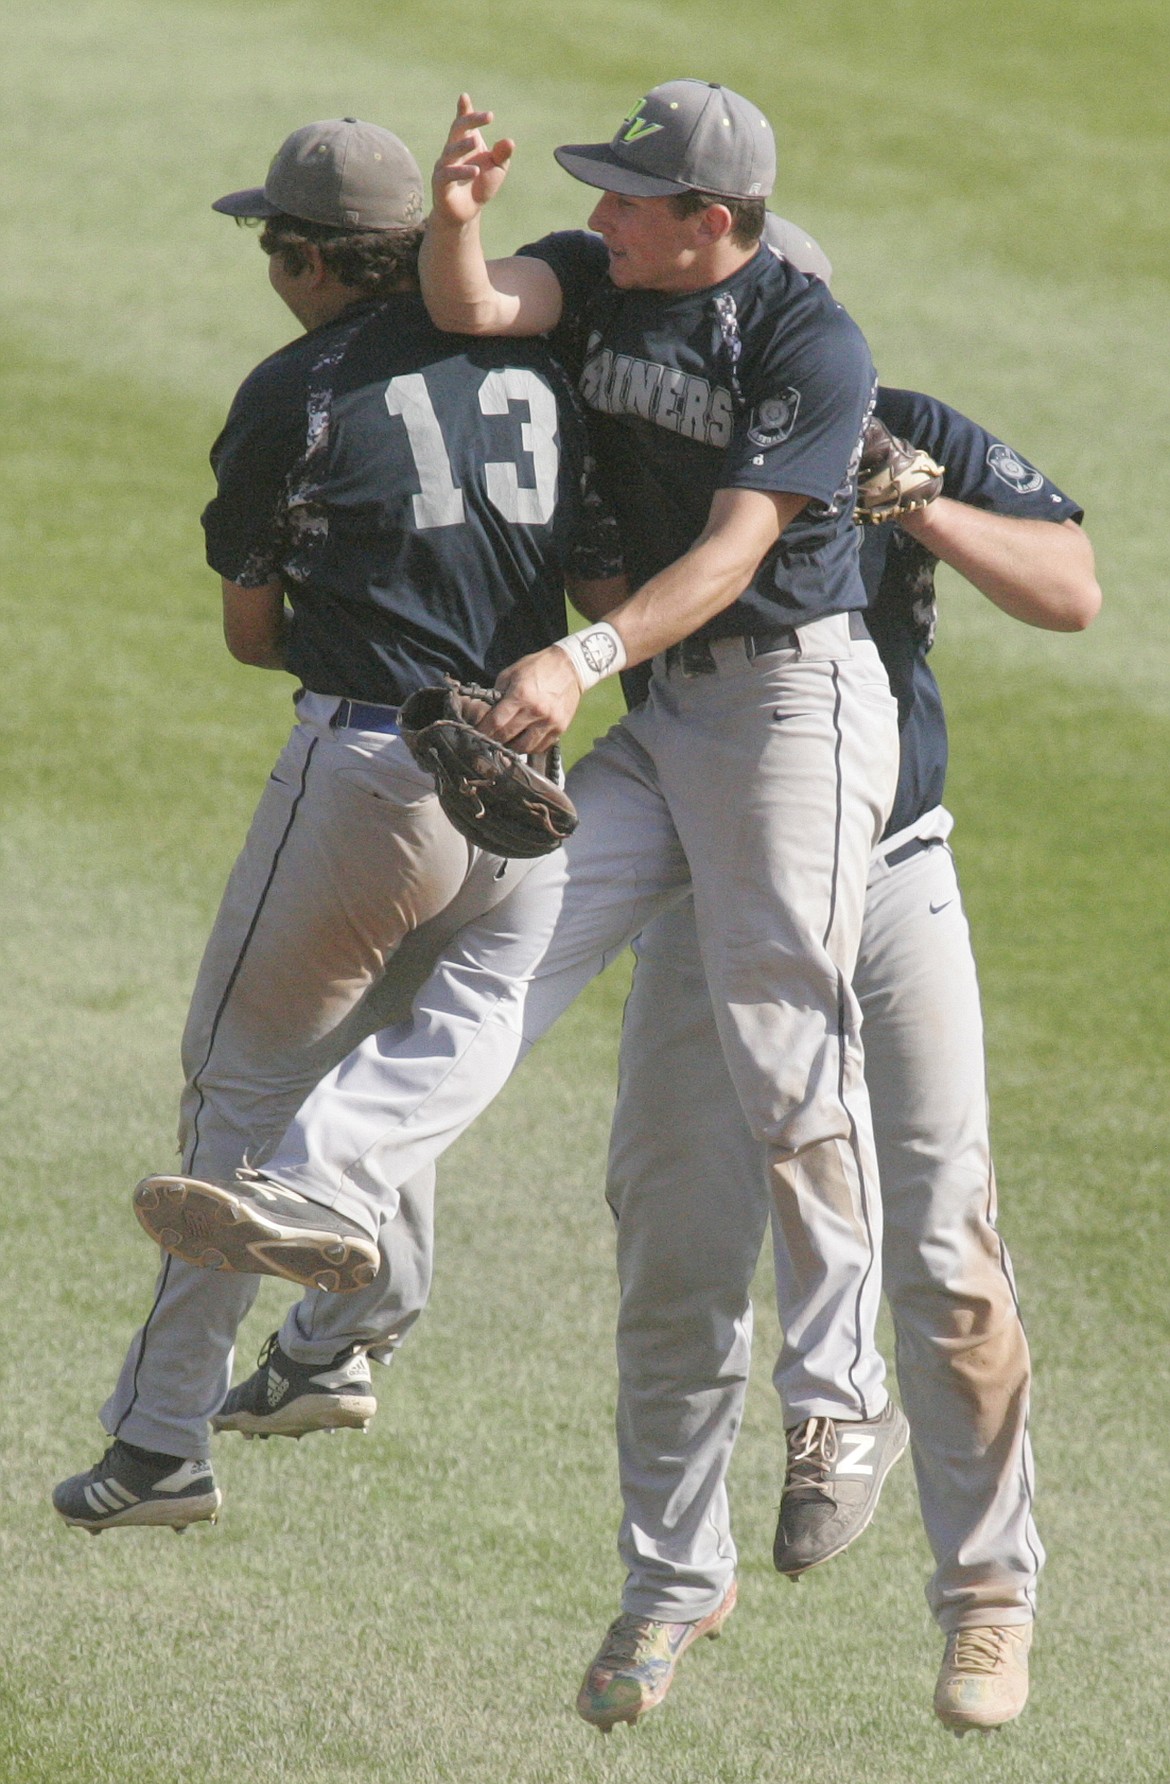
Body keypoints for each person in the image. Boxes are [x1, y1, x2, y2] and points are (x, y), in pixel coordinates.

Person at [134, 81, 910, 1573]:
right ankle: (318, 1198)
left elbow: (743, 546)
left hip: (787, 710)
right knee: (510, 964)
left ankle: (838, 1401)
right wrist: (467, 218)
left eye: (630, 195)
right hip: (664, 711)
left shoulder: (810, 340)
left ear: (712, 221)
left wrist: (578, 661)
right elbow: (477, 301)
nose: (601, 211)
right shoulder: (599, 278)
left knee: (779, 1038)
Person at [53, 116, 622, 1532]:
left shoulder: (293, 387)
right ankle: (338, 1344)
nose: (268, 272)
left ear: (311, 258)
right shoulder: (535, 364)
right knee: (427, 1051)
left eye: (272, 249)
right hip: (532, 776)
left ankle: (159, 1450)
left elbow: (254, 633)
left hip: (369, 775)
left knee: (241, 1098)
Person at [578, 384, 1099, 1734]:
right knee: (678, 1242)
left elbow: (1069, 588)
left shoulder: (894, 418)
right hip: (714, 893)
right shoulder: (632, 437)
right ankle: (670, 1579)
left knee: (943, 1245)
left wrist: (919, 500)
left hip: (887, 887)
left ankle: (987, 1599)